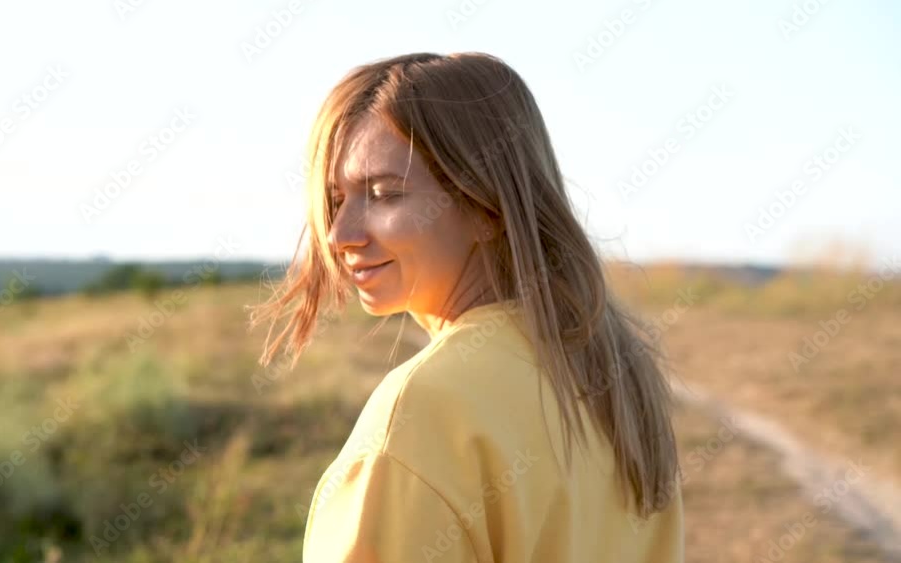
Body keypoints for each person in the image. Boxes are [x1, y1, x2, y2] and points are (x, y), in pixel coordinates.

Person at [249, 52, 683, 562]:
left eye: (383, 194)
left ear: (487, 209)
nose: (339, 234)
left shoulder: (422, 411)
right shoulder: (611, 372)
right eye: (336, 199)